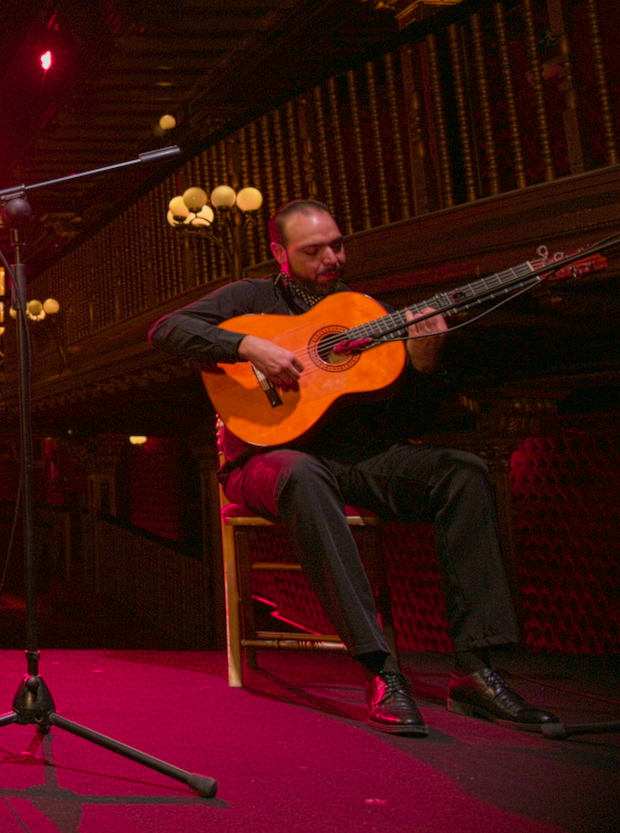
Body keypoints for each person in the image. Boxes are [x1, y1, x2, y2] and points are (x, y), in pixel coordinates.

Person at [149, 199, 556, 736]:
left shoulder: (365, 313)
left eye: (337, 245)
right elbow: (167, 330)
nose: (331, 258)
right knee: (302, 473)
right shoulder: (253, 297)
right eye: (313, 250)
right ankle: (382, 669)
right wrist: (248, 345)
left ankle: (477, 669)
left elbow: (404, 421)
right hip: (263, 461)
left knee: (462, 471)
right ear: (281, 253)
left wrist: (427, 366)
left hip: (354, 458)